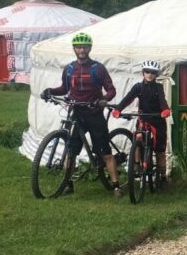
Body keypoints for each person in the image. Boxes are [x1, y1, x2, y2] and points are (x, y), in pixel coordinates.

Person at [40, 32, 122, 197]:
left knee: (105, 153)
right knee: (71, 151)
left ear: (89, 48)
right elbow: (64, 89)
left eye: (84, 47)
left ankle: (116, 186)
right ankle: (68, 184)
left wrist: (104, 100)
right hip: (76, 113)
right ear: (74, 49)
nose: (81, 50)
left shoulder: (98, 69)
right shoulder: (69, 69)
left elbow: (111, 90)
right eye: (78, 47)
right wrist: (49, 91)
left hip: (94, 114)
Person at [111, 60, 171, 190]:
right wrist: (118, 109)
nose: (150, 74)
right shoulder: (138, 87)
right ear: (143, 73)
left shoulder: (158, 87)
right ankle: (137, 164)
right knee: (137, 137)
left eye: (153, 73)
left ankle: (163, 177)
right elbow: (128, 98)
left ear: (156, 74)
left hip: (158, 120)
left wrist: (165, 110)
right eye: (147, 72)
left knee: (160, 151)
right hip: (143, 119)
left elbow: (162, 101)